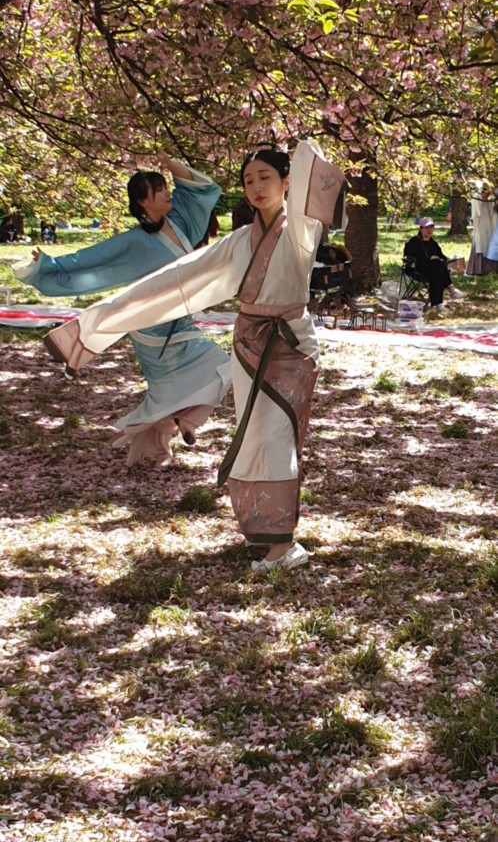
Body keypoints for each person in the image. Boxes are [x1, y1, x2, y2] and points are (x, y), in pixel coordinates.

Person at [40, 140, 347, 574]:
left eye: (266, 177)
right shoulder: (242, 240)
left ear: (286, 183)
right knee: (255, 433)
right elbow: (176, 281)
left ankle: (280, 543)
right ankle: (262, 531)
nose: (256, 187)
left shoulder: (300, 227)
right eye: (248, 180)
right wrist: (94, 326)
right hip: (249, 343)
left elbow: (310, 163)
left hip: (290, 346)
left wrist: (294, 153)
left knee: (276, 437)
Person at [14, 152, 231, 466]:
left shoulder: (181, 220)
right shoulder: (132, 243)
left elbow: (205, 189)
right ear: (144, 201)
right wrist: (48, 266)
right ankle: (180, 426)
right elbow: (90, 261)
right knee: (199, 374)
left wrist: (171, 165)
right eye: (159, 189)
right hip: (151, 330)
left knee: (216, 368)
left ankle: (164, 439)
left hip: (181, 323)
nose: (168, 192)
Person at [404, 217, 463, 311]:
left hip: (434, 270)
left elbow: (442, 256)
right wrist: (428, 259)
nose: (429, 230)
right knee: (436, 266)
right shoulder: (414, 241)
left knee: (436, 270)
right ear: (421, 229)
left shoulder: (433, 243)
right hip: (418, 268)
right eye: (427, 227)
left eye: (431, 227)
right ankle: (451, 289)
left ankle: (438, 304)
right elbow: (411, 257)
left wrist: (451, 261)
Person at [466, 180, 495, 276]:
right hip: (480, 224)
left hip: (487, 224)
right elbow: (477, 213)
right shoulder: (476, 198)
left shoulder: (489, 201)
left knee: (487, 244)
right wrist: (482, 199)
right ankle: (477, 269)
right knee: (480, 245)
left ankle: (486, 269)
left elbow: (491, 213)